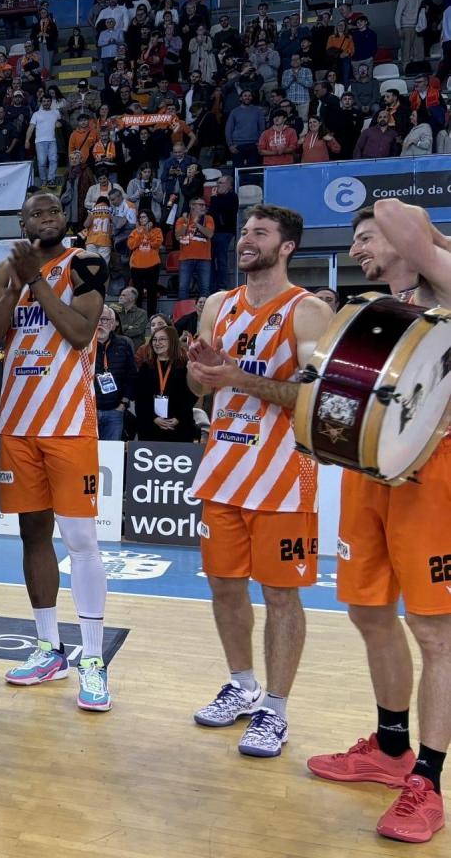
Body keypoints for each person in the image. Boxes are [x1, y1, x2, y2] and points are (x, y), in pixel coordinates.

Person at [310, 198, 450, 844]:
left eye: (367, 239)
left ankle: (429, 780)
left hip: (437, 469)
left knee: (433, 631)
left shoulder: (444, 275)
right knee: (369, 610)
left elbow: (395, 209)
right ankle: (391, 749)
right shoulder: (372, 310)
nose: (360, 248)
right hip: (371, 468)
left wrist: (418, 235)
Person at [182, 205, 332, 756]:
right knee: (223, 585)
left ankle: (276, 708)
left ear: (286, 246)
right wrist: (201, 368)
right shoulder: (218, 304)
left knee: (282, 595)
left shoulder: (309, 312)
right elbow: (200, 389)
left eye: (260, 233)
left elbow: (317, 398)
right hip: (223, 469)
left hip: (284, 476)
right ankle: (241, 685)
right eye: (244, 231)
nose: (246, 239)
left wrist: (239, 376)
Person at [0, 191, 112, 712]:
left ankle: (93, 660)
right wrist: (15, 285)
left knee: (79, 538)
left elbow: (80, 333)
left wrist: (35, 279)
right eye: (36, 213)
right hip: (19, 425)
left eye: (54, 211)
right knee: (32, 534)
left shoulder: (87, 262)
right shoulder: (4, 271)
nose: (46, 218)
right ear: (23, 221)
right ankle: (48, 647)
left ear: (65, 218)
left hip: (70, 424)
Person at [130, 323, 199, 442]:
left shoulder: (184, 365)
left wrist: (179, 417)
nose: (157, 343)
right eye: (155, 340)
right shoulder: (147, 366)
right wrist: (153, 418)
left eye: (162, 339)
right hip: (151, 428)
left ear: (172, 341)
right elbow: (140, 397)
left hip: (179, 426)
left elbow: (192, 395)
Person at [93, 306, 136, 441]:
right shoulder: (84, 344)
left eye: (104, 319)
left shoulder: (124, 344)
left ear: (112, 324)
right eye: (97, 319)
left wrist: (123, 404)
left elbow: (131, 376)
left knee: (110, 457)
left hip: (114, 411)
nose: (100, 323)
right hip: (89, 412)